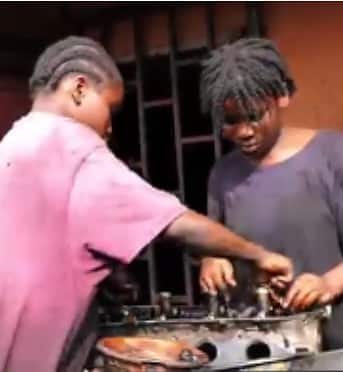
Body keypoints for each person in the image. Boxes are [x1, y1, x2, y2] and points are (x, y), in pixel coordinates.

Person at [0, 36, 294, 372]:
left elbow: (41, 247)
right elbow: (175, 224)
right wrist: (258, 255)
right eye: (110, 109)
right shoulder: (74, 148)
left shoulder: (13, 145)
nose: (109, 127)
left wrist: (103, 279)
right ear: (79, 89)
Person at [197, 38, 343, 350]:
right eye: (230, 121)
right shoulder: (222, 175)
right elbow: (218, 245)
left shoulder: (333, 156)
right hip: (258, 350)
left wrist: (328, 284)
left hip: (332, 346)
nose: (243, 131)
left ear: (281, 97)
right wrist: (212, 261)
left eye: (254, 116)